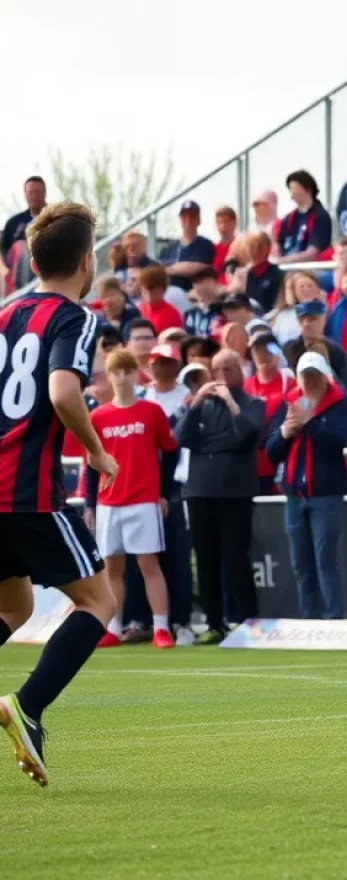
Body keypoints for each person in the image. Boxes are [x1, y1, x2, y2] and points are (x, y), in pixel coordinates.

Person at [0, 202, 118, 787]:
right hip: (26, 493)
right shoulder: (73, 316)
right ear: (84, 260)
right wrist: (95, 450)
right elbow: (64, 392)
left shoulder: (5, 314)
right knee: (99, 602)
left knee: (13, 608)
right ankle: (28, 705)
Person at [85, 349, 176, 651]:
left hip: (143, 499)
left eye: (127, 371)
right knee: (112, 569)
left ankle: (161, 627)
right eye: (116, 371)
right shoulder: (98, 416)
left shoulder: (151, 412)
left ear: (136, 374)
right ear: (108, 376)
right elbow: (91, 462)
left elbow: (169, 451)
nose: (122, 377)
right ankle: (113, 627)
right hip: (109, 501)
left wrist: (164, 493)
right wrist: (89, 504)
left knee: (149, 563)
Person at [174, 350, 262, 645]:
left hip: (235, 490)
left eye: (229, 368)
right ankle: (214, 622)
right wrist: (198, 402)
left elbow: (245, 437)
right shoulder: (200, 406)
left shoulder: (252, 403)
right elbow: (181, 438)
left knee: (236, 557)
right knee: (206, 559)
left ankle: (249, 619)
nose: (222, 374)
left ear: (240, 371)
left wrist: (231, 404)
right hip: (199, 491)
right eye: (217, 368)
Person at [266, 350, 347, 621]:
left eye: (312, 375)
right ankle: (309, 618)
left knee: (325, 559)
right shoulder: (289, 403)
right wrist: (285, 432)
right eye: (303, 376)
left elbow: (340, 440)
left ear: (324, 377)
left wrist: (311, 424)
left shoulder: (343, 404)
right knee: (300, 563)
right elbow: (272, 450)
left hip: (325, 493)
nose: (307, 381)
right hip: (295, 495)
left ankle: (333, 618)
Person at [244, 331, 297, 495]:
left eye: (267, 350)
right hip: (252, 466)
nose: (263, 356)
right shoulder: (245, 386)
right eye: (257, 351)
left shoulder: (289, 383)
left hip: (281, 463)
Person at [283, 299, 347, 388]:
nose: (306, 324)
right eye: (301, 320)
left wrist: (326, 365)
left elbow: (344, 388)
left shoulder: (336, 351)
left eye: (312, 319)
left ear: (323, 320)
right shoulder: (290, 349)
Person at [276, 170, 334, 264]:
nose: (292, 193)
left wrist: (282, 261)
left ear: (308, 188)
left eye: (295, 188)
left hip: (309, 270)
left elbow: (313, 253)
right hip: (286, 267)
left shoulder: (320, 216)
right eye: (290, 189)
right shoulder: (288, 219)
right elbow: (278, 246)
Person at [161, 200, 216, 292]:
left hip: (194, 293)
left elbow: (199, 269)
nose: (188, 220)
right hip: (169, 292)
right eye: (185, 216)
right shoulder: (169, 247)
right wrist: (178, 268)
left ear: (198, 220)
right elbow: (159, 271)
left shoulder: (205, 245)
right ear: (180, 219)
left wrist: (171, 269)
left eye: (192, 216)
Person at [1, 175, 47, 275]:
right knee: (20, 247)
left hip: (48, 265)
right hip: (17, 270)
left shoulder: (58, 218)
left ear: (44, 194)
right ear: (25, 195)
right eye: (30, 192)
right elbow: (5, 252)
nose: (34, 196)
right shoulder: (13, 223)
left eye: (38, 192)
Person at [243, 232, 283, 315]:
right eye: (251, 246)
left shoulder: (278, 275)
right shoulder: (245, 275)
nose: (256, 250)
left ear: (268, 248)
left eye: (260, 246)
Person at [137, 264, 184, 334]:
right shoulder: (139, 309)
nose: (149, 295)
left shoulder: (171, 314)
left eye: (154, 291)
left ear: (163, 290)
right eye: (145, 291)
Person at [97, 274, 141, 339]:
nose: (108, 300)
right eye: (104, 297)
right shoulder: (98, 320)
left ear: (122, 296)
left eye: (111, 295)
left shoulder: (133, 316)